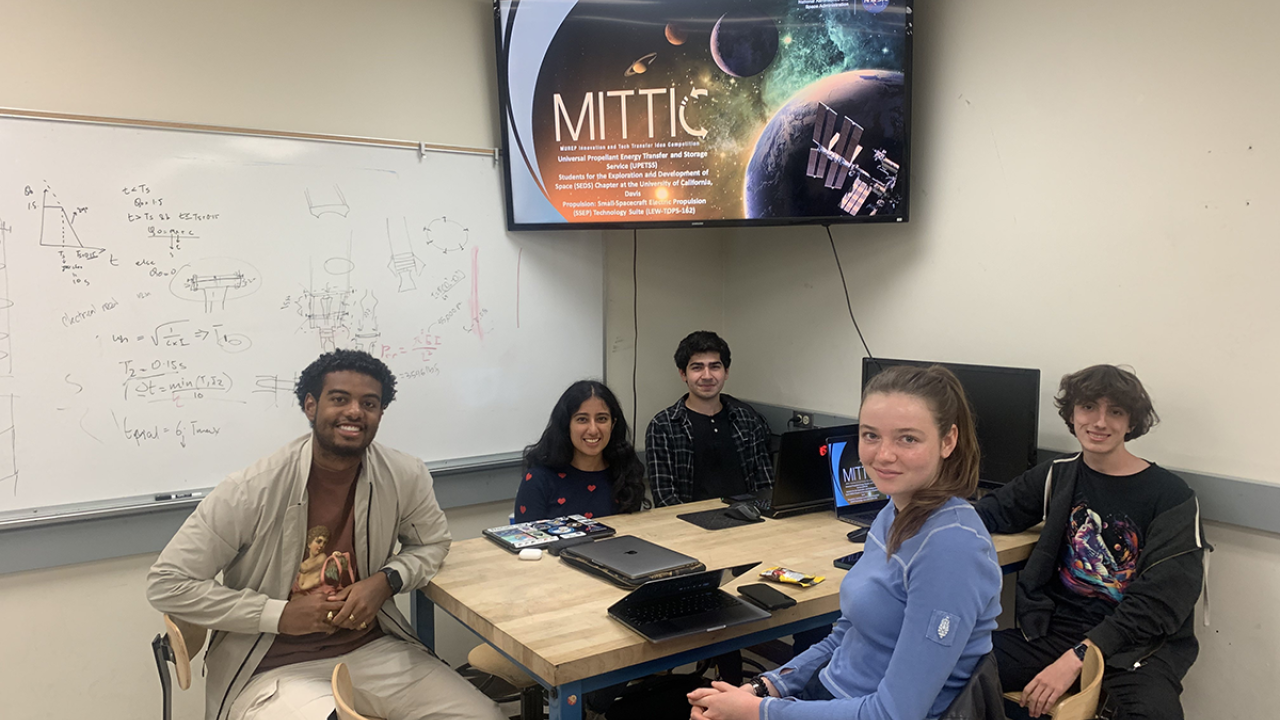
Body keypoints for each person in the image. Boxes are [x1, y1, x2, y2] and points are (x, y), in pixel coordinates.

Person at [147, 349, 504, 720]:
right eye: (339, 399)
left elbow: (432, 544)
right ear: (310, 406)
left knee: (484, 716)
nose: (355, 412)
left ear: (381, 413)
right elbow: (167, 583)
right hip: (272, 666)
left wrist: (385, 581)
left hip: (373, 648)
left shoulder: (403, 474)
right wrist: (279, 614)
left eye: (369, 403)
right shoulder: (252, 489)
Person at [688, 365, 1003, 720]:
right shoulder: (893, 512)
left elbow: (893, 714)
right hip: (830, 696)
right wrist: (766, 687)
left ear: (948, 441)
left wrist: (761, 712)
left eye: (908, 439)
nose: (884, 455)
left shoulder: (952, 549)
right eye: (871, 435)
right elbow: (847, 635)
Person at [974, 365, 1207, 720]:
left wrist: (1079, 657)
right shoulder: (1058, 474)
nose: (1099, 422)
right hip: (1055, 633)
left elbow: (1158, 604)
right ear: (1072, 414)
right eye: (1088, 407)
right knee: (952, 667)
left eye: (1115, 411)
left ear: (1131, 422)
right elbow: (992, 512)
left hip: (1135, 646)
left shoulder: (1172, 496)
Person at [646, 330, 774, 507]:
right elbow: (665, 500)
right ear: (683, 374)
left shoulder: (748, 421)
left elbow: (765, 487)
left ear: (726, 372)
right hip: (688, 521)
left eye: (715, 366)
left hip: (748, 518)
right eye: (697, 367)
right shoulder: (663, 427)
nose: (707, 376)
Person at [515, 380, 645, 522]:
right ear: (566, 425)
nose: (593, 430)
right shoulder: (539, 479)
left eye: (602, 419)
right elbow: (527, 535)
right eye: (582, 419)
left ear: (613, 424)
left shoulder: (625, 472)